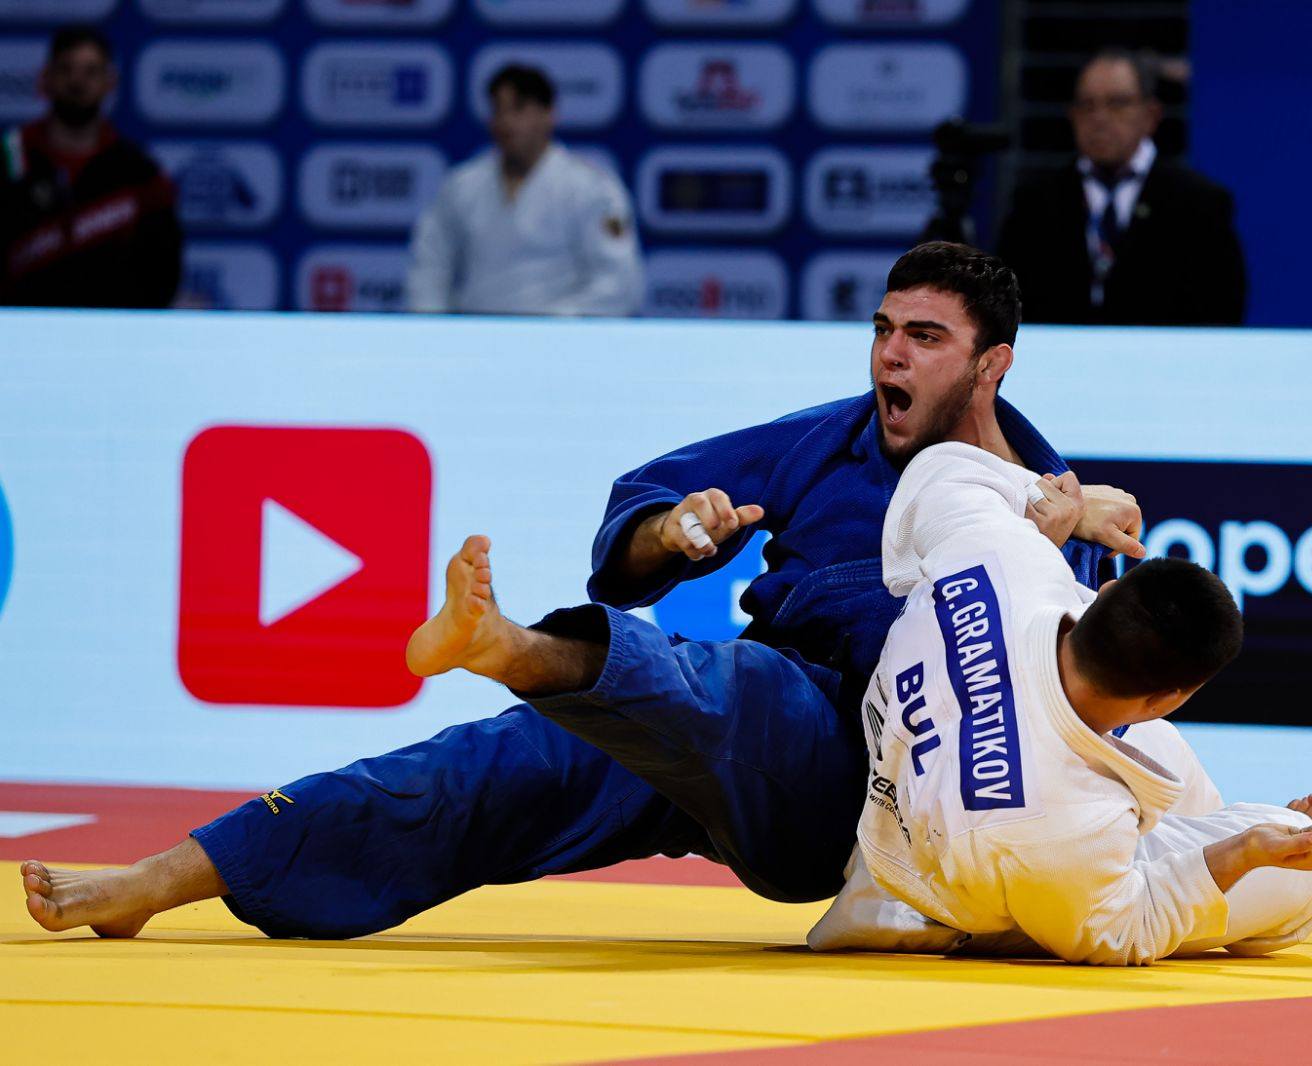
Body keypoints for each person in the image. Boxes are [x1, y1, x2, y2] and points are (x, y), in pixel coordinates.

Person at [20, 242, 1146, 940]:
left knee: (738, 684)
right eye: (882, 330)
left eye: (925, 339)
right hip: (730, 728)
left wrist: (1054, 545)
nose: (889, 359)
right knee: (483, 767)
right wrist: (671, 532)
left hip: (866, 792)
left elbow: (1081, 714)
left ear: (993, 363)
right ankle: (160, 879)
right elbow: (640, 506)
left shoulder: (1056, 510)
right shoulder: (823, 443)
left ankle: (524, 649)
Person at [806, 444, 1312, 964]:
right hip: (922, 885)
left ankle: (1232, 835)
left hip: (932, 777)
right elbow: (1125, 930)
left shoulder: (1008, 556)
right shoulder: (1066, 822)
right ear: (1166, 699)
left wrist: (1067, 505)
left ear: (1104, 595)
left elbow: (942, 468)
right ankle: (922, 924)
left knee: (1174, 770)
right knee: (1309, 874)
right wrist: (1239, 854)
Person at [995, 48, 1246, 326]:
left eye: (1117, 103)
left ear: (1151, 115)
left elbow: (1222, 311)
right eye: (1087, 105)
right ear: (1072, 116)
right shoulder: (1035, 203)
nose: (1099, 118)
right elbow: (1007, 308)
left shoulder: (1200, 203)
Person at [406, 64, 643, 317]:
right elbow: (429, 266)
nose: (506, 122)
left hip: (559, 342)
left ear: (549, 114)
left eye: (519, 108)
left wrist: (553, 325)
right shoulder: (462, 185)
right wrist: (432, 327)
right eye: (498, 110)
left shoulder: (590, 187)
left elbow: (619, 283)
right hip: (473, 339)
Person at [0, 25, 181, 309]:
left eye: (91, 72)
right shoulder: (10, 157)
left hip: (110, 336)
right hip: (17, 331)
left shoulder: (138, 172)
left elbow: (163, 273)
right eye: (66, 69)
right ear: (45, 79)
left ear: (110, 82)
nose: (77, 82)